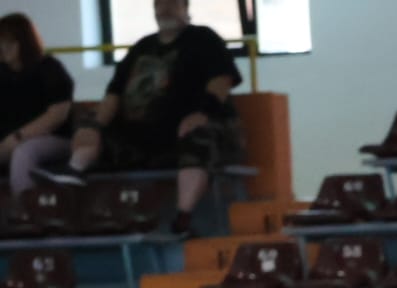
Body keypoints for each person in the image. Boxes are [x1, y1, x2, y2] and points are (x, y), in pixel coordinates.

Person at [37, 0, 240, 238]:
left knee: (197, 138)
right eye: (160, 3)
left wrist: (202, 113)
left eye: (172, 3)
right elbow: (114, 94)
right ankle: (73, 172)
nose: (165, 8)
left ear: (186, 7)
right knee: (87, 124)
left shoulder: (204, 39)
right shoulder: (142, 47)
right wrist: (94, 126)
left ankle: (183, 220)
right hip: (141, 136)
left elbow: (222, 80)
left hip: (189, 129)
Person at [0, 13, 73, 194]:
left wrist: (17, 137)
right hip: (8, 141)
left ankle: (26, 214)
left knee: (23, 154)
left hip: (53, 139)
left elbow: (58, 114)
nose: (3, 48)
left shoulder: (49, 67)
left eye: (9, 42)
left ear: (24, 42)